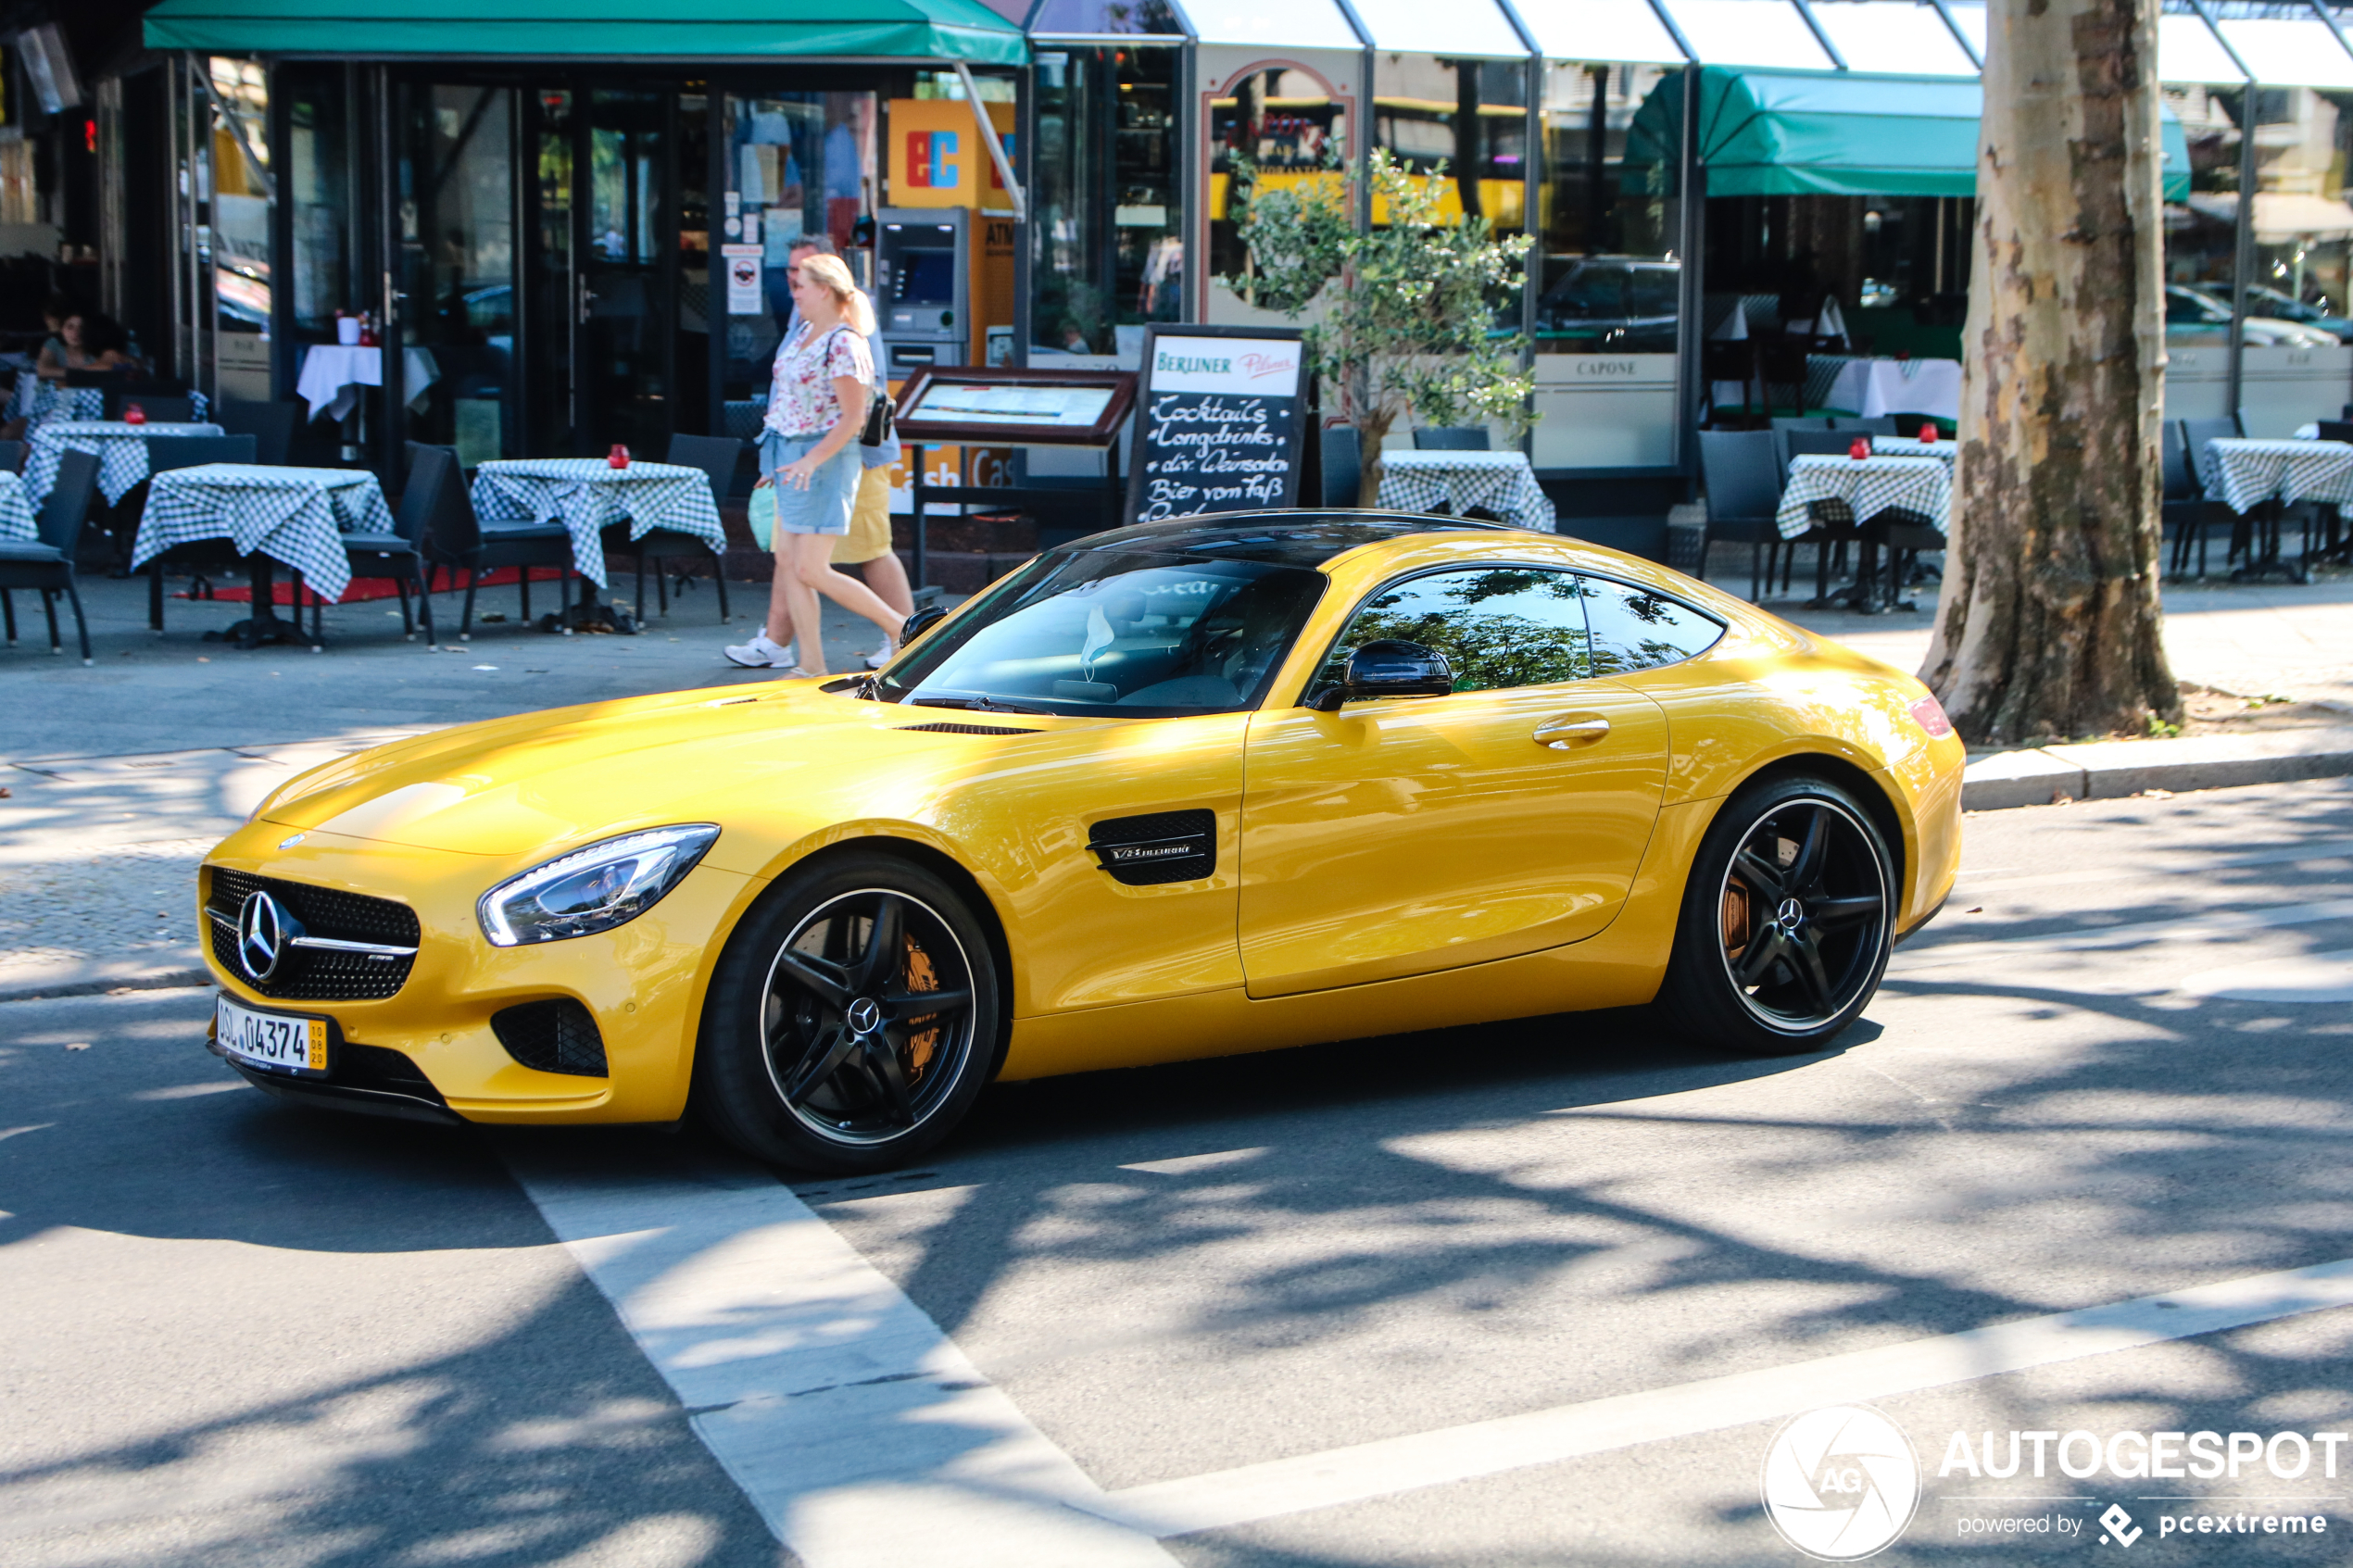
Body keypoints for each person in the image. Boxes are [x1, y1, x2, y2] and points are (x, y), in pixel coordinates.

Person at [724, 252, 904, 675]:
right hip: (790, 455)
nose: (793, 292)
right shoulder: (805, 332)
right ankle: (812, 665)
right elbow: (788, 400)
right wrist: (778, 462)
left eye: (800, 284)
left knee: (811, 568)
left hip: (822, 460)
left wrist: (810, 460)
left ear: (824, 289)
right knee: (790, 564)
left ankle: (900, 628)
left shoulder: (845, 341)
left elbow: (853, 417)